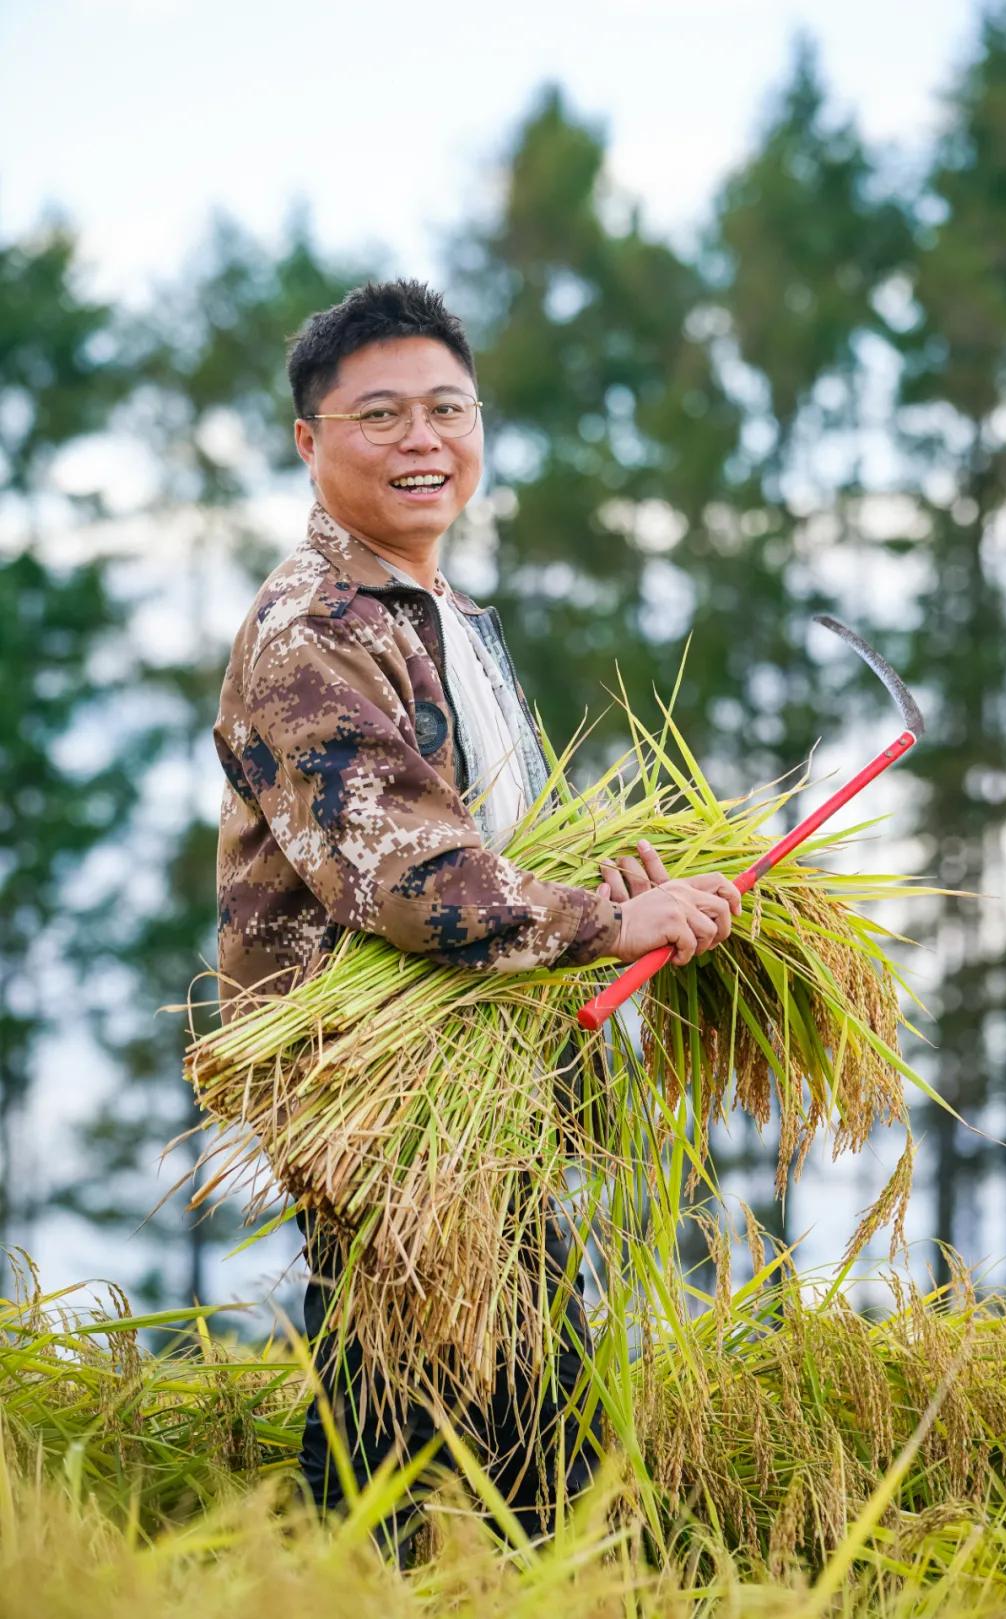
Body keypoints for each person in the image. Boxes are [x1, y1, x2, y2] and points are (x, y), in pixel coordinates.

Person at [213, 278, 742, 1550]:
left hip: (471, 1093)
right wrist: (606, 928)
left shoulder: (444, 619)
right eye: (380, 413)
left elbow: (480, 838)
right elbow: (406, 875)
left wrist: (603, 881)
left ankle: (332, 1574)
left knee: (394, 1427)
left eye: (447, 408)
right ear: (310, 441)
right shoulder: (313, 631)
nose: (423, 440)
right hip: (382, 1107)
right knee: (544, 1460)